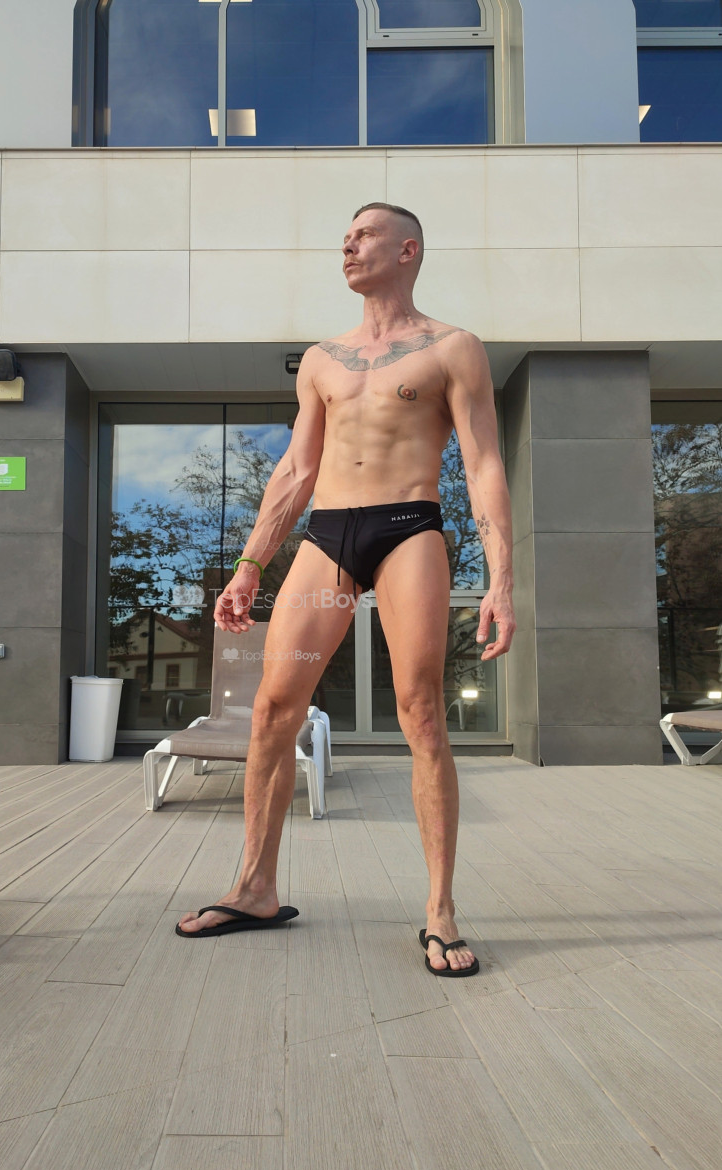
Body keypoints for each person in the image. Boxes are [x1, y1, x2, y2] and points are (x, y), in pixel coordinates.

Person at [176, 202, 515, 977]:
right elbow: (297, 469)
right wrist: (250, 565)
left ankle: (439, 911)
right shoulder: (322, 359)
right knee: (273, 707)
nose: (348, 246)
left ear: (408, 249)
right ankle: (255, 888)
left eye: (364, 235)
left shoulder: (453, 348)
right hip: (327, 535)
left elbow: (483, 464)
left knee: (420, 710)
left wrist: (501, 579)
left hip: (408, 529)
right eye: (346, 237)